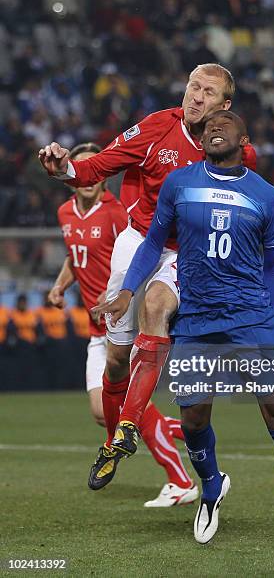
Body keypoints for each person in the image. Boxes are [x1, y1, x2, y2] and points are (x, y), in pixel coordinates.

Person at [93, 111, 274, 556]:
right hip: (197, 319)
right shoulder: (179, 184)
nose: (212, 128)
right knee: (195, 419)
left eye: (224, 123)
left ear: (245, 138)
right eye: (206, 127)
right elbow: (151, 244)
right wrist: (127, 292)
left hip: (251, 319)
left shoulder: (267, 196)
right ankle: (210, 489)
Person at [38, 63, 256, 490]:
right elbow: (95, 168)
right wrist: (63, 169)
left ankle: (128, 429)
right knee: (116, 358)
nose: (195, 96)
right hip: (137, 243)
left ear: (224, 105)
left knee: (156, 307)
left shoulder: (234, 153)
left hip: (187, 253)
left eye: (208, 92)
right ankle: (113, 443)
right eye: (193, 86)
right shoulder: (158, 126)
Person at [50, 141, 198, 507]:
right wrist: (60, 284)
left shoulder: (118, 214)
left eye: (93, 172)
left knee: (124, 411)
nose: (87, 180)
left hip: (119, 322)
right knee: (103, 414)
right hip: (94, 326)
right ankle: (185, 432)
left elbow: (146, 252)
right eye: (80, 168)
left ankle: (180, 479)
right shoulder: (65, 213)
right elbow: (75, 255)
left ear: (102, 179)